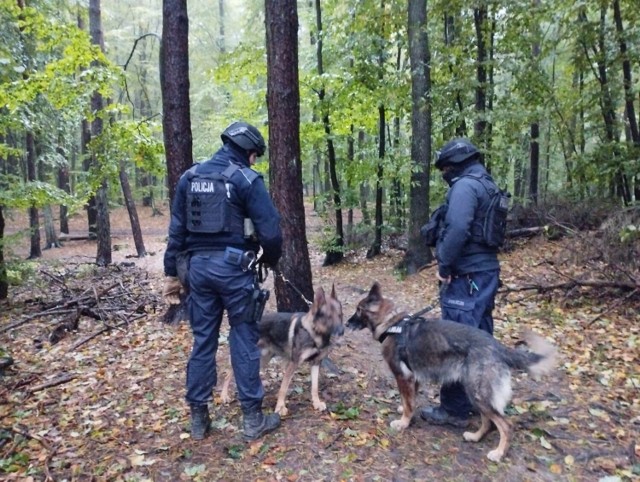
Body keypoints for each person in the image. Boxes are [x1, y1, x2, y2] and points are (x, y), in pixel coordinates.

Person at [163, 121, 283, 441]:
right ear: (248, 151)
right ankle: (252, 419)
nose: (255, 161)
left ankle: (199, 419)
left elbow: (176, 231)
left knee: (203, 340)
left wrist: (171, 272)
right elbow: (271, 231)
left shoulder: (190, 177)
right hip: (234, 271)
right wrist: (269, 260)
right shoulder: (246, 178)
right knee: (243, 337)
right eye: (255, 155)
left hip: (197, 272)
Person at [420, 138, 501, 428]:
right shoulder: (487, 184)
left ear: (455, 163)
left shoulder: (465, 186)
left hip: (467, 277)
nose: (444, 174)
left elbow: (457, 229)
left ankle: (455, 408)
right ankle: (484, 401)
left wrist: (445, 265)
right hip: (485, 273)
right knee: (481, 338)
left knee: (456, 340)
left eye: (445, 168)